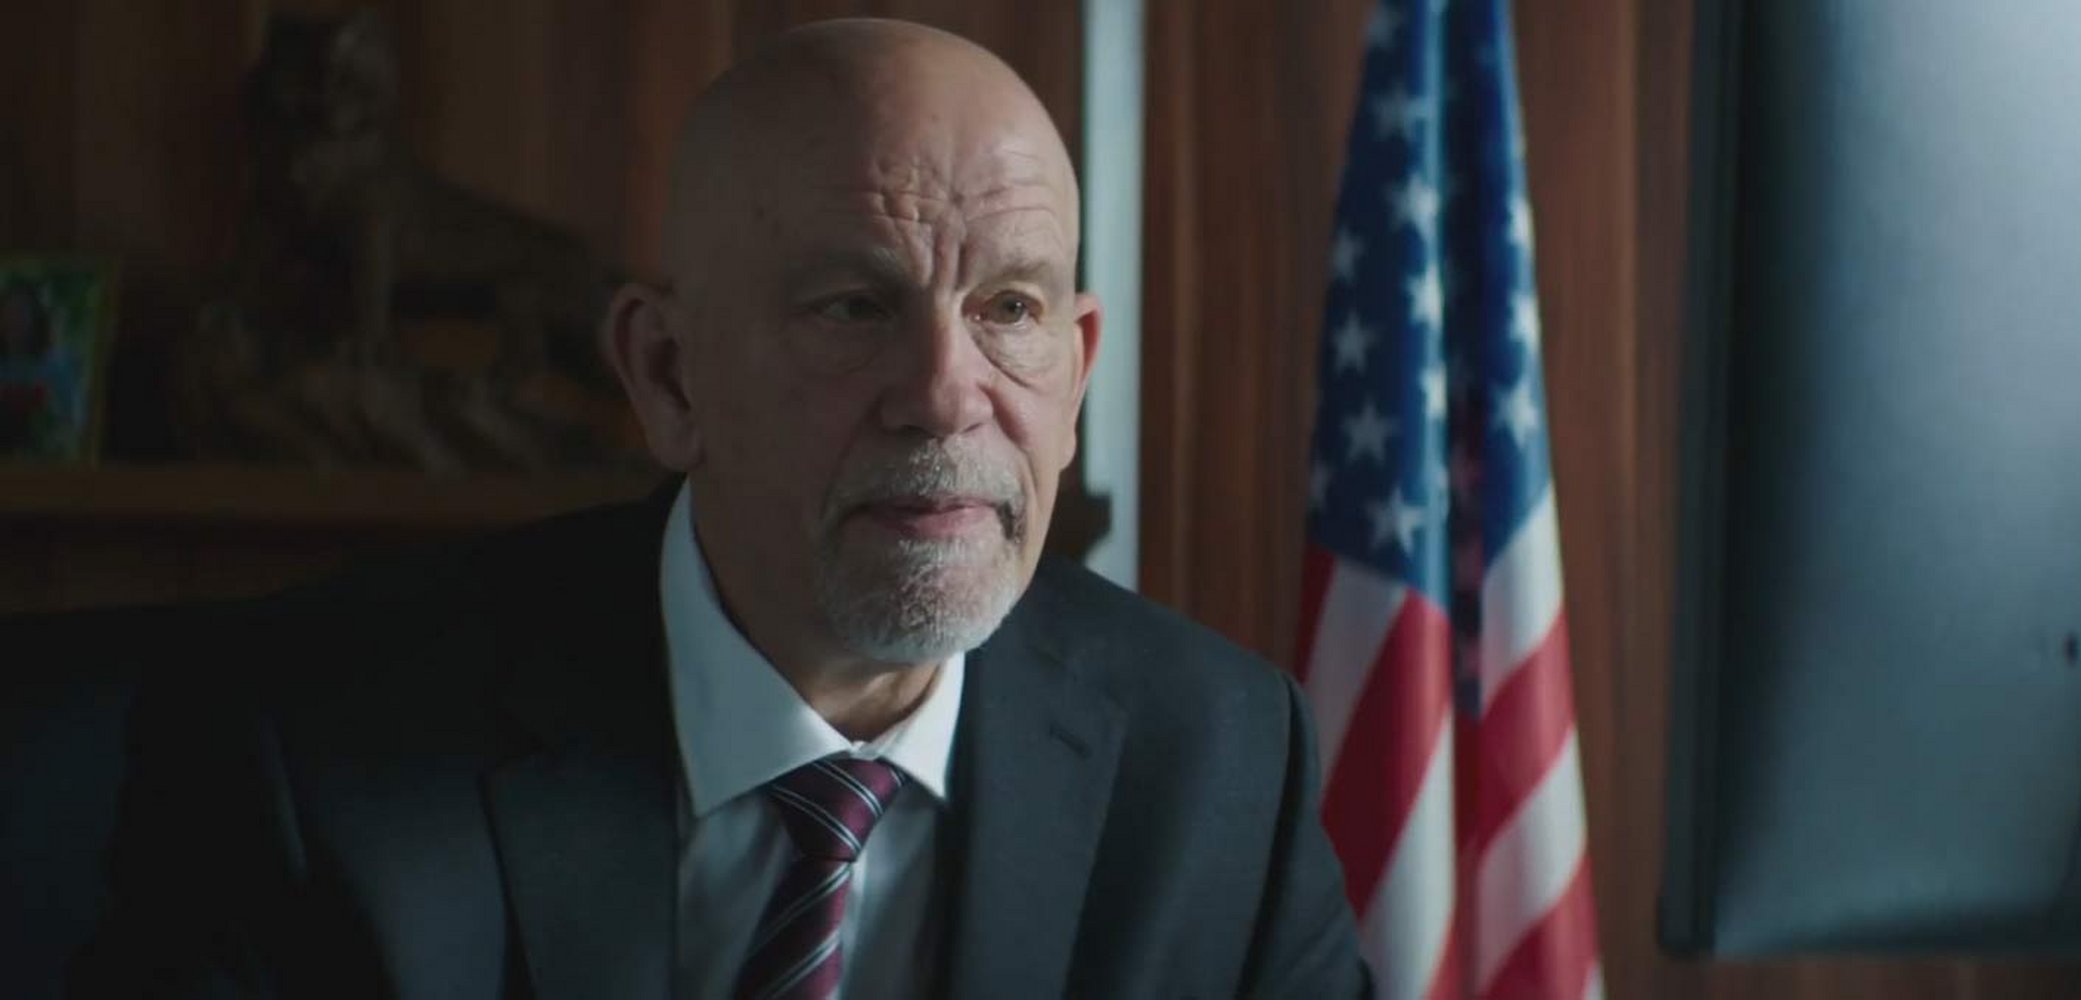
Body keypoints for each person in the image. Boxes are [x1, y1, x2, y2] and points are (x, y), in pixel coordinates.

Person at [69, 18, 1369, 1000]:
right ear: (668, 375)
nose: (942, 396)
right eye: (853, 306)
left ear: (1076, 373)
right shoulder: (310, 750)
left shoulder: (1221, 768)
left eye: (1010, 309)